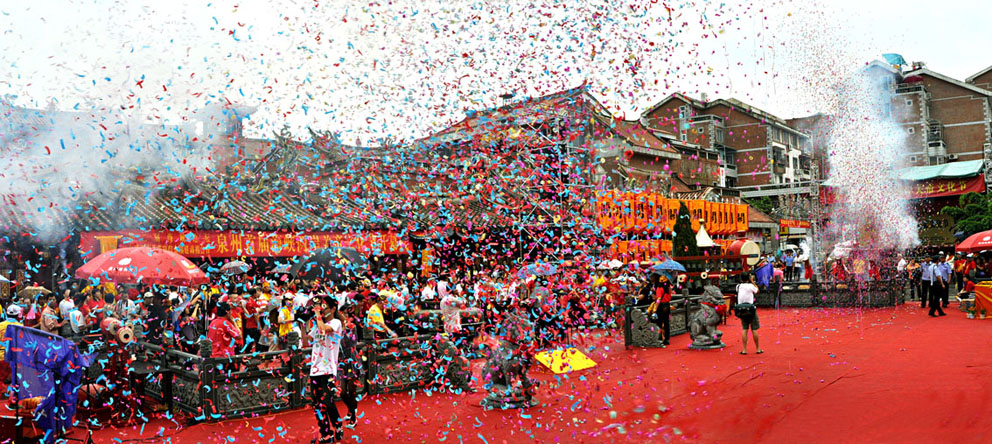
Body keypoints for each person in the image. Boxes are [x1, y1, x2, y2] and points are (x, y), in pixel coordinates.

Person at [308, 294, 344, 443]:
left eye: (324, 307)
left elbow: (324, 329)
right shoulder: (318, 324)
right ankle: (326, 433)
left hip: (328, 368)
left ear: (333, 308)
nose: (322, 310)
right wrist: (303, 321)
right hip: (315, 368)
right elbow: (307, 340)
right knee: (318, 403)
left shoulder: (336, 323)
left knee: (327, 401)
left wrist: (317, 315)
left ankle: (337, 424)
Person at [337, 300, 363, 428]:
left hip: (352, 360)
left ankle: (353, 418)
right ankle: (351, 411)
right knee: (342, 392)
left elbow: (349, 342)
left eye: (347, 315)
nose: (346, 317)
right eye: (343, 315)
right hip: (341, 361)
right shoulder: (336, 327)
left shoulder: (352, 328)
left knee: (352, 391)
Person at [736, 273, 762, 355]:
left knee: (745, 329)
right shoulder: (751, 286)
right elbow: (757, 291)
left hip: (741, 309)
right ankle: (757, 348)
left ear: (741, 279)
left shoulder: (738, 286)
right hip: (750, 309)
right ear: (748, 279)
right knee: (754, 329)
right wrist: (752, 282)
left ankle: (744, 349)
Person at [645, 274, 672, 346]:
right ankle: (667, 339)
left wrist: (655, 308)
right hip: (667, 305)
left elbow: (659, 299)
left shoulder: (659, 289)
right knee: (666, 323)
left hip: (661, 306)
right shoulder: (669, 289)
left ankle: (660, 338)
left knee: (659, 322)